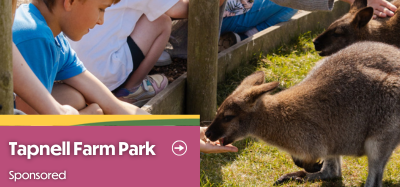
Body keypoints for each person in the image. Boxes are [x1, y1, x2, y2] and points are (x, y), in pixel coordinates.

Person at [13, 0, 149, 115]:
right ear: (70, 2)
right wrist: (87, 116)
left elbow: (112, 105)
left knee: (74, 97)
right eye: (101, 9)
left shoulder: (53, 35)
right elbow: (29, 125)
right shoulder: (33, 36)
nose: (101, 21)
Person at [219, 0, 298, 51]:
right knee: (297, 3)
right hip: (226, 18)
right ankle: (246, 37)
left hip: (227, 16)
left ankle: (241, 37)